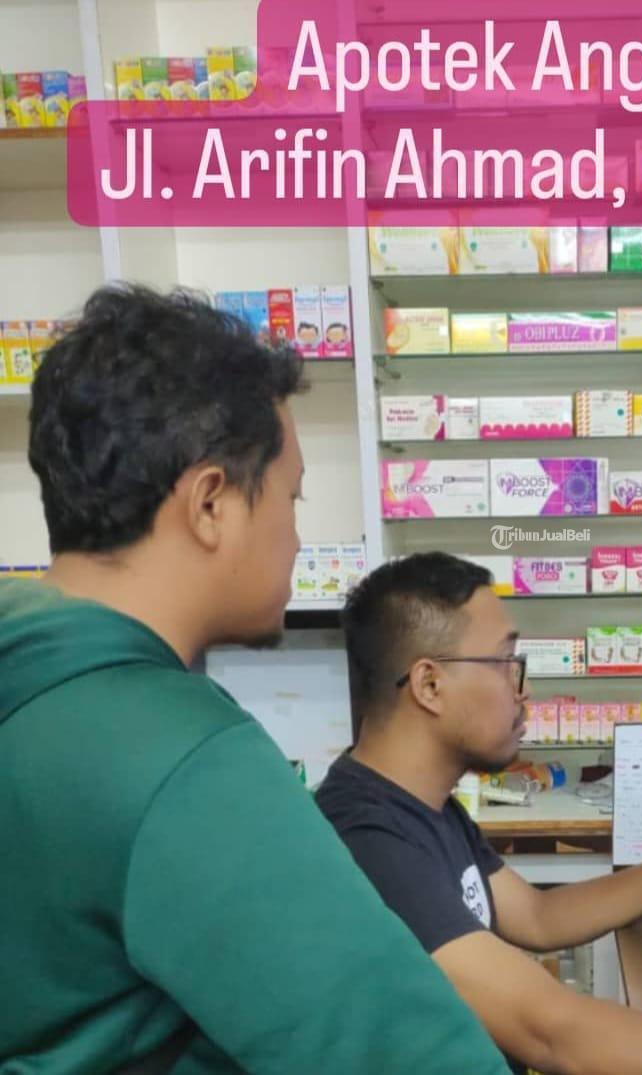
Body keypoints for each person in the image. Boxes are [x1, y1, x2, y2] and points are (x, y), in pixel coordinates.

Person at [0, 286, 512, 1075]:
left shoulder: (29, 668)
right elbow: (413, 1054)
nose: (298, 536)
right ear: (211, 503)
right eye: (291, 496)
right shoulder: (179, 757)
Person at [316, 552, 642, 1075]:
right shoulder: (366, 839)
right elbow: (552, 1033)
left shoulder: (424, 805)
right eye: (506, 663)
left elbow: (539, 916)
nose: (524, 689)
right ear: (429, 685)